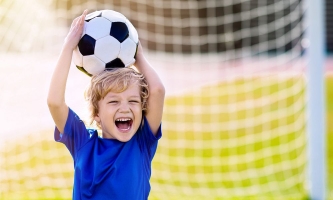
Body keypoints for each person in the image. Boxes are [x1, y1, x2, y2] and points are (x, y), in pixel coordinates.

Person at [47, 10, 165, 200]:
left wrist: (138, 56)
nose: (125, 107)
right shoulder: (82, 142)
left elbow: (157, 91)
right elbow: (54, 102)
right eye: (114, 101)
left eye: (133, 101)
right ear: (97, 114)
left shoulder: (142, 144)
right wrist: (68, 47)